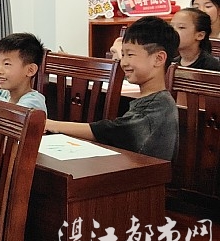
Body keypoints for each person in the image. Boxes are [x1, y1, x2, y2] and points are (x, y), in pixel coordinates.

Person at [44, 16, 179, 161]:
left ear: (159, 59)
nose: (123, 62)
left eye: (130, 55)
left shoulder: (159, 106)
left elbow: (112, 131)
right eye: (123, 55)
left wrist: (53, 125)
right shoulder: (153, 99)